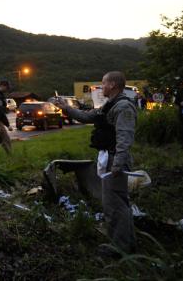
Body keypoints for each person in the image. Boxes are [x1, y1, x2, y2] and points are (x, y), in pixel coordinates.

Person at [54, 71, 137, 254]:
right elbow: (87, 116)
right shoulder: (110, 105)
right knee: (119, 203)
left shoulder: (123, 107)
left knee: (114, 205)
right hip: (110, 159)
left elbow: (125, 137)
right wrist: (66, 108)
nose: (101, 87)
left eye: (103, 83)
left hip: (115, 161)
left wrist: (118, 165)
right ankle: (127, 242)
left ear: (113, 85)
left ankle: (119, 248)